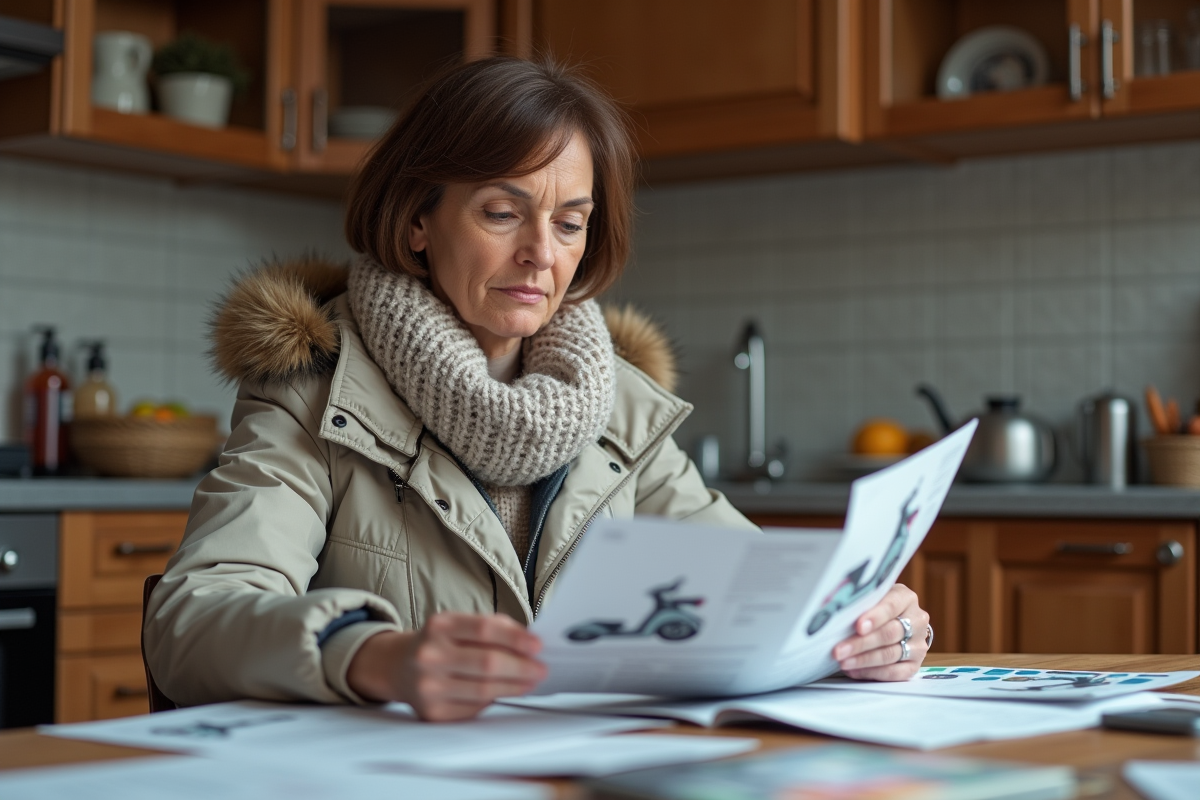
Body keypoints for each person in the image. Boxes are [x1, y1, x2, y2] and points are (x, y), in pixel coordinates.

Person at [144, 57, 932, 722]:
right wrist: (372, 656)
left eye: (569, 222)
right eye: (501, 212)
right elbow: (192, 622)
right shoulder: (313, 391)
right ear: (418, 219)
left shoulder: (619, 407)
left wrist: (861, 620)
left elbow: (762, 592)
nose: (539, 255)